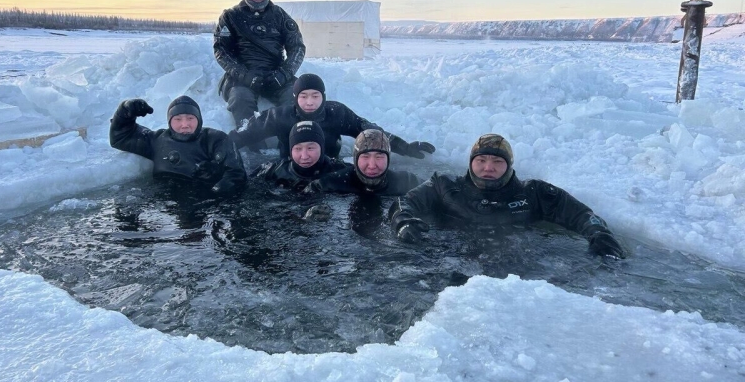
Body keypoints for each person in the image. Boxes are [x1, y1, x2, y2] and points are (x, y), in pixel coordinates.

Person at [389, 134, 626, 258]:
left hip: (518, 264)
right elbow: (405, 203)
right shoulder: (445, 185)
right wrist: (404, 222)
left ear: (509, 165)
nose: (488, 168)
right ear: (471, 163)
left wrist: (599, 233)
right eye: (481, 160)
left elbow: (582, 215)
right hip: (450, 257)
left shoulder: (534, 193)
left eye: (497, 161)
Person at [229, 73, 436, 160]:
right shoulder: (280, 116)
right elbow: (244, 134)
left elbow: (369, 130)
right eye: (303, 96)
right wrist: (211, 148)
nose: (309, 102)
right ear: (295, 98)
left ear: (323, 97)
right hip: (291, 170)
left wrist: (404, 146)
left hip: (330, 169)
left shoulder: (336, 113)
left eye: (315, 96)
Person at [214, 0, 306, 128]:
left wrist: (283, 74)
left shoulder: (280, 15)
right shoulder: (230, 16)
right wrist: (244, 75)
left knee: (296, 98)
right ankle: (252, 145)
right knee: (240, 100)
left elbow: (297, 47)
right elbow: (221, 51)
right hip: (242, 78)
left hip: (276, 75)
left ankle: (290, 142)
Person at [109, 96, 246, 195]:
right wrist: (124, 112)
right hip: (164, 205)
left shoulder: (215, 139)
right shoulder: (157, 141)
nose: (184, 124)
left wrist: (216, 176)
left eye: (190, 118)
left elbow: (237, 175)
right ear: (169, 121)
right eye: (178, 119)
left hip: (206, 203)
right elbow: (121, 137)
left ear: (199, 119)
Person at [306, 129, 422, 196]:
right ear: (355, 159)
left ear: (388, 159)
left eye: (379, 157)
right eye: (365, 156)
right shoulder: (329, 184)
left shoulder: (407, 182)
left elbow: (436, 191)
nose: (372, 165)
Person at [253, 120, 349, 191]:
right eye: (298, 149)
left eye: (310, 148)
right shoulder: (274, 170)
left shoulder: (340, 170)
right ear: (291, 150)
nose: (304, 156)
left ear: (322, 148)